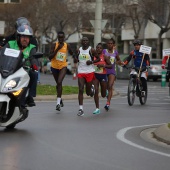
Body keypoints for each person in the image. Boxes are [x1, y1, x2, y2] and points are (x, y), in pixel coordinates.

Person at [3, 24, 38, 110]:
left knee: (34, 74)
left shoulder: (31, 48)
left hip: (24, 71)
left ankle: (29, 97)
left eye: (27, 37)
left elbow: (33, 58)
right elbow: (3, 53)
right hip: (9, 69)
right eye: (23, 36)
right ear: (18, 37)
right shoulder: (10, 44)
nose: (25, 39)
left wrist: (34, 64)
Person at [48, 31, 75, 111]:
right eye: (59, 37)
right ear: (57, 38)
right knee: (58, 84)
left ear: (64, 37)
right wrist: (57, 49)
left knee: (59, 82)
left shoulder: (67, 45)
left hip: (63, 66)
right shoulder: (54, 45)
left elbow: (71, 53)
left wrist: (75, 56)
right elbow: (50, 57)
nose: (60, 39)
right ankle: (60, 99)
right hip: (54, 67)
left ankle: (58, 104)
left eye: (62, 37)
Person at [74, 37, 100, 116]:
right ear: (81, 42)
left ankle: (91, 87)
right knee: (81, 89)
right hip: (81, 72)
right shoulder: (79, 50)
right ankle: (81, 109)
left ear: (88, 42)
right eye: (83, 40)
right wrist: (75, 59)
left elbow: (98, 59)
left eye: (86, 40)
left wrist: (91, 61)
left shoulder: (91, 50)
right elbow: (76, 59)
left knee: (88, 93)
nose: (85, 42)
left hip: (89, 72)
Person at [103, 38, 124, 111]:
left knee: (110, 85)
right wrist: (105, 59)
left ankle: (108, 103)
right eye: (108, 43)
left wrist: (121, 63)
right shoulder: (104, 51)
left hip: (112, 70)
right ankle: (106, 92)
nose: (110, 45)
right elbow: (100, 58)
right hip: (104, 70)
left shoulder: (115, 52)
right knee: (105, 87)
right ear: (107, 44)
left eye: (111, 43)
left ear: (113, 45)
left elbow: (118, 60)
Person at [92, 43, 112, 114]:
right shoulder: (93, 56)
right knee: (96, 91)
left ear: (102, 49)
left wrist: (103, 65)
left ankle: (105, 92)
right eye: (97, 48)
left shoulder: (105, 57)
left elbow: (110, 66)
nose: (98, 49)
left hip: (103, 76)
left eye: (100, 48)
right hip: (95, 76)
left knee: (103, 95)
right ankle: (97, 108)